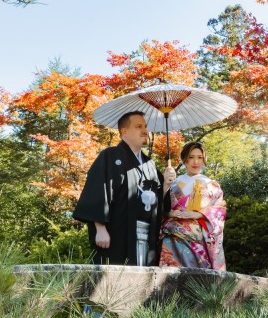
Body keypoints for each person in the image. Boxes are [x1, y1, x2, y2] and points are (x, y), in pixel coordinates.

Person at [73, 111, 177, 266]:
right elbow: (97, 191)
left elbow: (157, 203)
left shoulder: (150, 164)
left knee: (144, 282)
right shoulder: (110, 156)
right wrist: (100, 228)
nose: (144, 130)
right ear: (124, 131)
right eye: (138, 126)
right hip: (117, 232)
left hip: (147, 234)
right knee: (116, 280)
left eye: (145, 126)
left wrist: (166, 185)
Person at [159, 141, 226, 270]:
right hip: (172, 239)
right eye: (191, 157)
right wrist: (169, 212)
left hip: (197, 241)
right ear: (184, 159)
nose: (196, 162)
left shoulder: (211, 185)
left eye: (200, 157)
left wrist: (197, 214)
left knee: (195, 280)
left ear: (204, 160)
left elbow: (218, 213)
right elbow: (159, 207)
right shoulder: (173, 183)